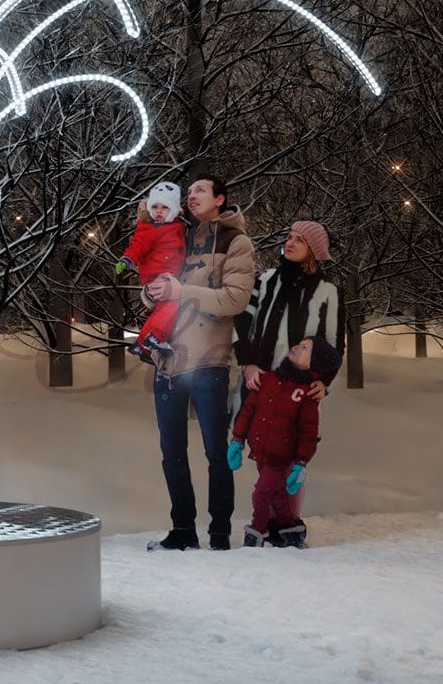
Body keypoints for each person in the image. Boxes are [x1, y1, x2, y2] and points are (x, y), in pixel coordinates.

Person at [143, 174, 256, 552]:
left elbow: (235, 299)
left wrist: (182, 291)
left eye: (200, 191)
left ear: (220, 198)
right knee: (172, 452)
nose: (192, 196)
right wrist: (152, 291)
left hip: (209, 361)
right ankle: (183, 531)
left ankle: (219, 533)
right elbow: (160, 287)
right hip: (168, 361)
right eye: (188, 192)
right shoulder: (178, 235)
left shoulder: (235, 241)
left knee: (215, 452)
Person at [235, 219, 343, 535]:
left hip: (299, 388)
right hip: (262, 380)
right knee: (265, 450)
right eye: (290, 237)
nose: (290, 243)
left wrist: (324, 380)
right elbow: (241, 324)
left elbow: (333, 343)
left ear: (314, 250)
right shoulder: (265, 280)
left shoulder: (327, 292)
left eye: (300, 240)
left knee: (291, 455)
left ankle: (285, 521)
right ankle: (276, 520)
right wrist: (248, 364)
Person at [228, 333, 342, 547]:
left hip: (280, 456)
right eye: (299, 344)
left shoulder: (307, 394)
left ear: (313, 363)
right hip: (260, 450)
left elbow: (308, 432)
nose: (297, 347)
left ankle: (256, 533)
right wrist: (237, 439)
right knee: (277, 495)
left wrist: (300, 463)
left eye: (305, 348)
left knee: (261, 493)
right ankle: (291, 530)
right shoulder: (268, 379)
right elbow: (248, 411)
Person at [115, 181, 187, 362]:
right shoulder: (151, 228)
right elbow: (138, 245)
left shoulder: (177, 226)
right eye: (155, 207)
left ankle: (142, 345)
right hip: (159, 274)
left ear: (174, 210)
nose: (159, 211)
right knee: (172, 305)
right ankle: (154, 338)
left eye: (165, 207)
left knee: (162, 310)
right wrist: (128, 259)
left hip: (168, 273)